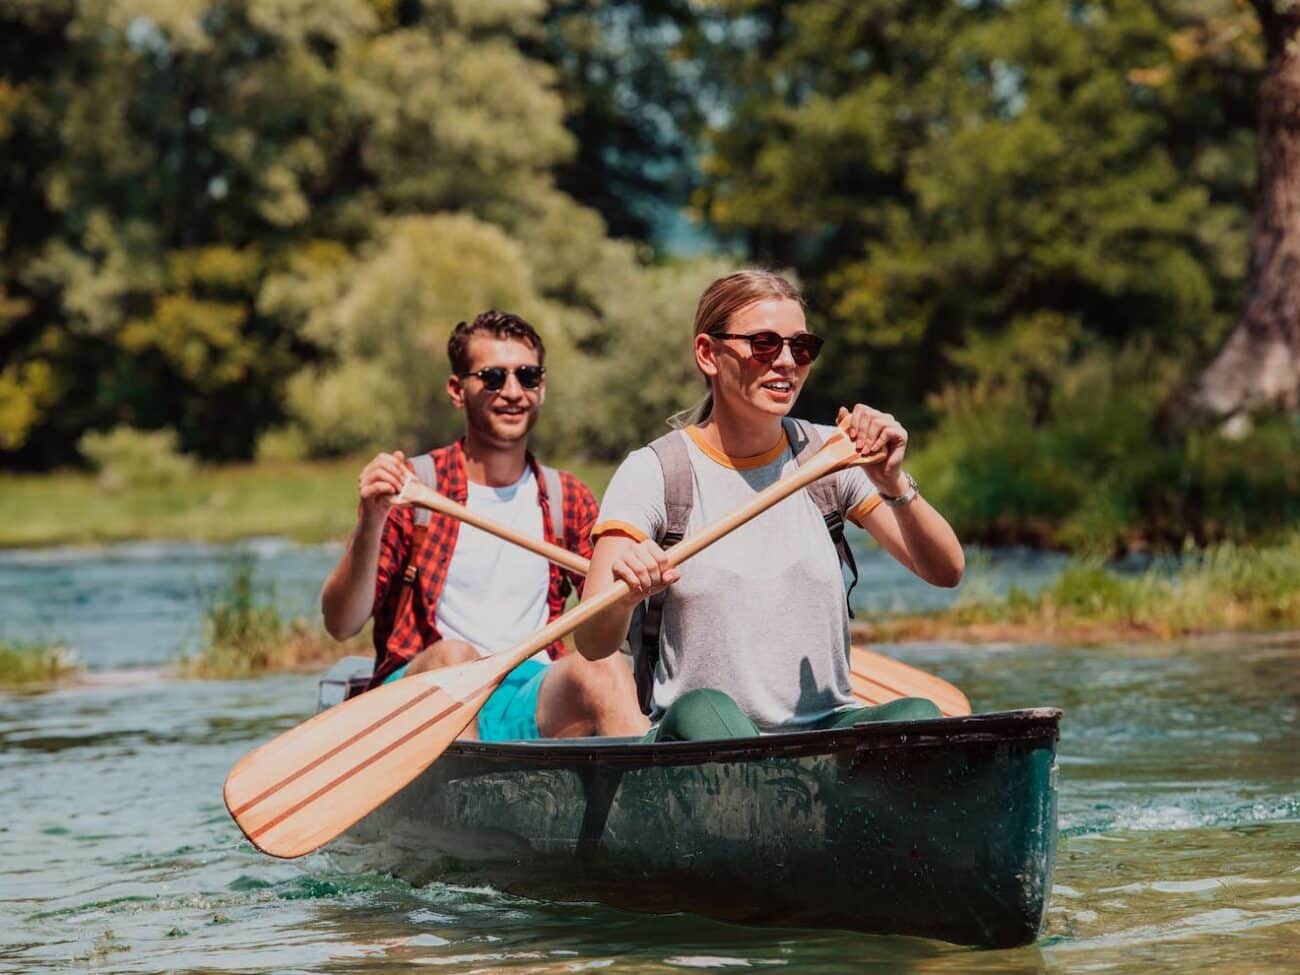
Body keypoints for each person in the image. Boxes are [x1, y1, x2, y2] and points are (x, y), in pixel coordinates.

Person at [573, 270, 965, 741]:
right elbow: (592, 643)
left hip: (822, 730)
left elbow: (946, 571)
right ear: (708, 354)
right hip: (696, 735)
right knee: (707, 710)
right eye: (764, 344)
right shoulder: (656, 471)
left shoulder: (830, 456)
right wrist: (629, 593)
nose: (786, 363)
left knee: (918, 713)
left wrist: (891, 480)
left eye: (800, 348)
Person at [321, 310, 648, 741]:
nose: (512, 391)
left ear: (542, 387)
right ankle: (472, 802)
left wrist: (638, 580)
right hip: (422, 693)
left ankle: (649, 798)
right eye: (492, 377)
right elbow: (341, 623)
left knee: (602, 668)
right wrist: (371, 519)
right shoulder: (414, 489)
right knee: (455, 659)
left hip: (527, 691)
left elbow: (611, 616)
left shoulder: (567, 497)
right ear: (458, 390)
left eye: (527, 376)